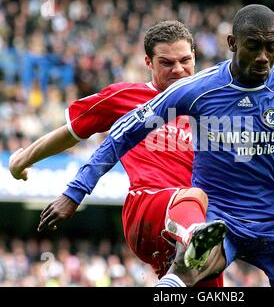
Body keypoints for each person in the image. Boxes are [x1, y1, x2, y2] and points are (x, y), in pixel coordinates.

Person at [39, 4, 274, 287]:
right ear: (233, 43)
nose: (264, 57)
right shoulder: (199, 89)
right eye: (254, 46)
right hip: (219, 218)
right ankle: (178, 275)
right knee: (188, 269)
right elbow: (124, 130)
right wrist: (75, 192)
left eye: (272, 47)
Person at [9, 20, 226, 287]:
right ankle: (193, 235)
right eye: (167, 63)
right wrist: (21, 160)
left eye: (185, 60)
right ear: (148, 62)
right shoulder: (126, 97)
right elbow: (70, 132)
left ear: (195, 56)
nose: (179, 69)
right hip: (146, 209)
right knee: (194, 198)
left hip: (194, 221)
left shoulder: (214, 106)